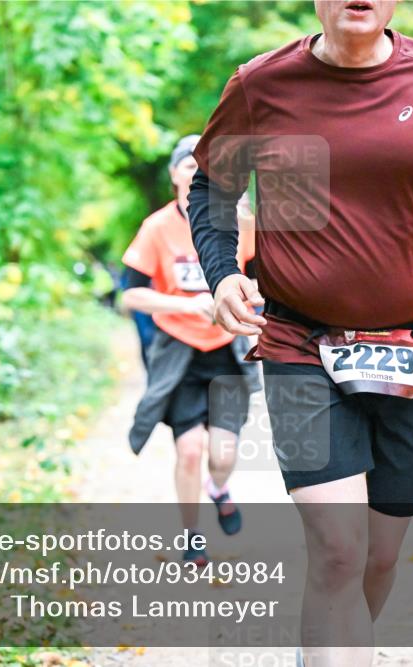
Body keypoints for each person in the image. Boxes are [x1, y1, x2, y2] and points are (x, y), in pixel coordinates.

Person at [187, 2, 413, 664]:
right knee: (338, 549)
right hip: (298, 346)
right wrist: (224, 274)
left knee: (378, 555)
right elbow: (212, 191)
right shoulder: (260, 85)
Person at [122, 134, 260, 566]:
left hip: (226, 349)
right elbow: (131, 295)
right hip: (179, 352)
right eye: (188, 164)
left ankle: (219, 489)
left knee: (222, 454)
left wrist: (235, 300)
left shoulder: (242, 223)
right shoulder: (157, 228)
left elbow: (263, 284)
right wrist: (187, 303)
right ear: (174, 174)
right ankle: (192, 535)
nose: (197, 171)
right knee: (190, 449)